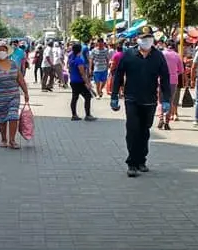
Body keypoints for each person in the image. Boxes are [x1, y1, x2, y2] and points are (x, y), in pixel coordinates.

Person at [110, 26, 171, 177]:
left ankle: (141, 160)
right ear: (137, 39)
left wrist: (166, 99)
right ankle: (131, 163)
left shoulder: (158, 56)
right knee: (132, 130)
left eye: (149, 38)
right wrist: (114, 95)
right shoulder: (128, 54)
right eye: (143, 38)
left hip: (150, 100)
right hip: (131, 99)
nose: (146, 41)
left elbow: (165, 78)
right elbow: (118, 75)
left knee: (144, 131)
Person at [157, 40, 184, 129]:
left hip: (161, 79)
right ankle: (167, 122)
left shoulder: (160, 54)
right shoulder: (177, 55)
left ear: (165, 45)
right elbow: (181, 71)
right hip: (173, 80)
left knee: (160, 101)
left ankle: (161, 118)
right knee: (169, 101)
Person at [67, 42, 96, 121]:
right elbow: (82, 73)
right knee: (87, 96)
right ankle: (88, 115)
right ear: (80, 50)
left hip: (73, 81)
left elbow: (69, 70)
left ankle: (74, 115)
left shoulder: (71, 59)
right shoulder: (79, 60)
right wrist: (88, 83)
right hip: (79, 82)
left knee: (74, 98)